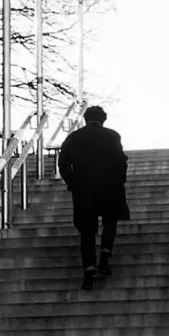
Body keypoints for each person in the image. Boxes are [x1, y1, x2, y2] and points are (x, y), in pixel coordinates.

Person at [56, 105, 129, 289]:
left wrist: (72, 183)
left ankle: (88, 272)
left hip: (84, 189)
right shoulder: (112, 136)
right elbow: (121, 161)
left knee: (87, 231)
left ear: (85, 119)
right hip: (109, 187)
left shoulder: (74, 137)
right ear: (103, 119)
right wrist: (120, 181)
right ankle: (104, 258)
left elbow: (62, 162)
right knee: (110, 222)